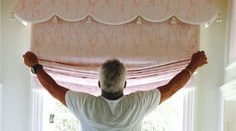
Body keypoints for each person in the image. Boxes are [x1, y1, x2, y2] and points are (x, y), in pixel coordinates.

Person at [23, 51, 207, 131]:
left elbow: (53, 89)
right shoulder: (138, 104)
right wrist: (193, 65)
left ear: (98, 84)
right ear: (125, 84)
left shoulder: (86, 105)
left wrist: (35, 66)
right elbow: (171, 89)